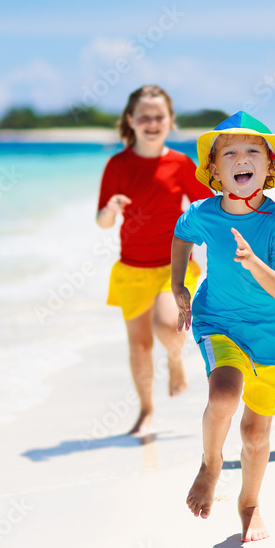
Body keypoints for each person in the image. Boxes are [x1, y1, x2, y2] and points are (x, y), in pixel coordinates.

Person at [171, 111, 275, 542]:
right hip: (218, 320)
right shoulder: (203, 213)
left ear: (268, 167)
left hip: (274, 338)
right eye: (229, 153)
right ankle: (210, 464)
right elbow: (181, 233)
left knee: (254, 432)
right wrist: (178, 286)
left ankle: (249, 504)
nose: (241, 159)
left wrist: (254, 263)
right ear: (213, 169)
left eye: (252, 152)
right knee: (224, 393)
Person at [97, 85, 214, 435]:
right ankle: (146, 411)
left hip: (173, 265)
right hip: (132, 267)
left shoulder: (179, 164)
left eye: (159, 116)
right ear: (130, 121)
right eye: (144, 116)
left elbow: (206, 209)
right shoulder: (117, 165)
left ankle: (175, 359)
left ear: (170, 121)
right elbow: (102, 221)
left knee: (168, 326)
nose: (152, 122)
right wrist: (110, 208)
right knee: (139, 345)